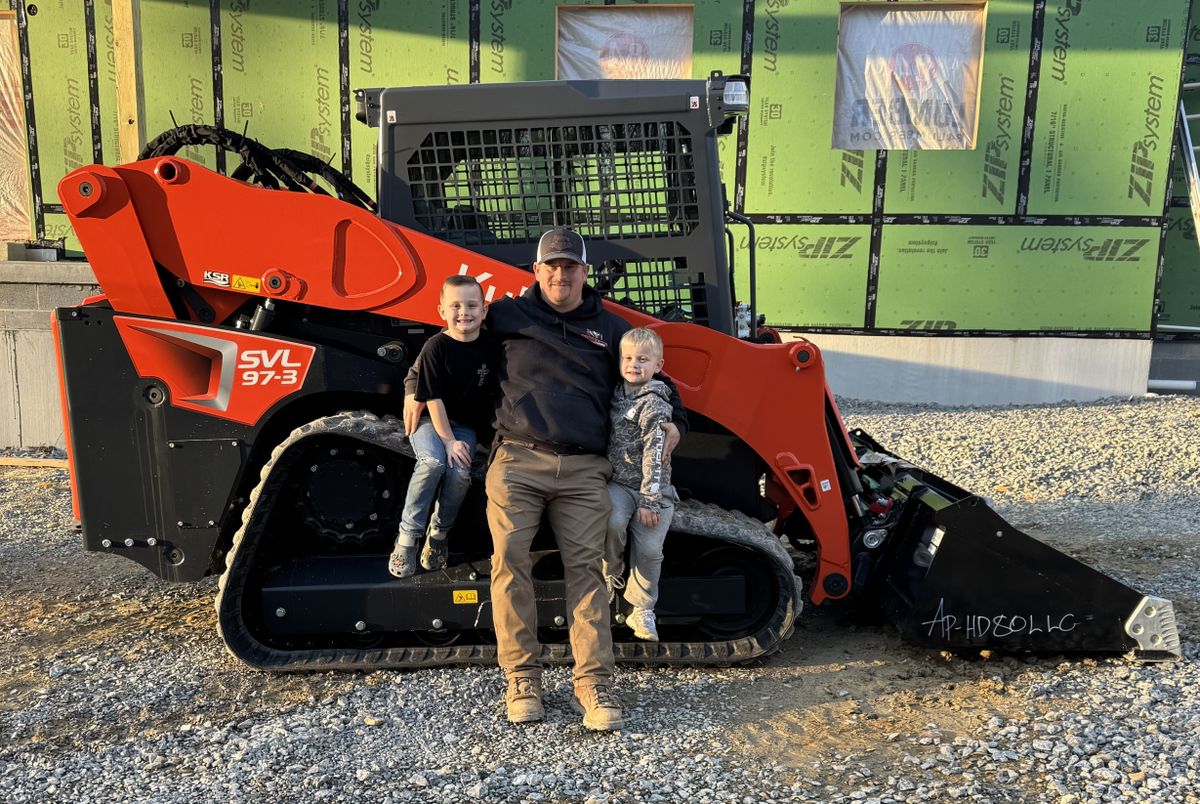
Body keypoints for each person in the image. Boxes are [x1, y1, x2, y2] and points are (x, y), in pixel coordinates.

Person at [404, 228, 684, 731]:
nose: (561, 274)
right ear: (536, 271)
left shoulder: (612, 328)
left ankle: (594, 683)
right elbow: (451, 344)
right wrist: (413, 386)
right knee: (509, 562)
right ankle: (522, 678)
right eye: (551, 266)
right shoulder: (508, 315)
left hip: (584, 468)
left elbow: (657, 377)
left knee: (590, 570)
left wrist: (674, 425)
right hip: (517, 461)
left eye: (570, 266)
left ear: (584, 271)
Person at [389, 275, 498, 579]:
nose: (464, 312)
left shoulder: (490, 346)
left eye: (472, 305)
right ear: (441, 311)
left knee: (460, 472)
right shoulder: (437, 346)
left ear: (484, 310)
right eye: (456, 306)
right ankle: (408, 537)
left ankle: (438, 535)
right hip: (430, 421)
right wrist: (449, 441)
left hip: (464, 425)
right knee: (433, 462)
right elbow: (432, 397)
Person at [603, 327, 676, 643]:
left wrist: (650, 500)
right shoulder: (617, 392)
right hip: (618, 483)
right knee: (611, 521)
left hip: (652, 489)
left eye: (643, 360)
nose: (634, 365)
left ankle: (642, 608)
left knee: (648, 548)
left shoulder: (655, 403)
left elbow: (655, 454)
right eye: (628, 358)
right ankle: (611, 571)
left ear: (658, 365)